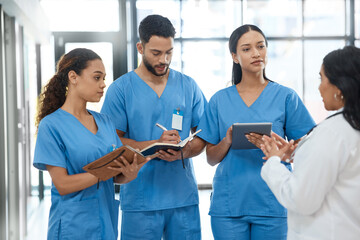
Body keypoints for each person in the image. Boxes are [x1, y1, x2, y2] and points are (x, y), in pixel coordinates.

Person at [196, 24, 315, 240]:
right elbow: (211, 159)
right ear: (234, 56)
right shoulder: (219, 101)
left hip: (273, 201)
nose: (256, 53)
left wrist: (281, 149)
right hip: (229, 205)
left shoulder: (286, 97)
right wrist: (228, 140)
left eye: (261, 46)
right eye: (247, 49)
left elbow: (306, 147)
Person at [101, 15, 207, 240]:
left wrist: (184, 151)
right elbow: (110, 140)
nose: (164, 60)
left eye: (169, 52)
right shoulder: (121, 90)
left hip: (183, 198)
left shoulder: (188, 86)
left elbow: (204, 135)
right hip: (140, 199)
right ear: (140, 47)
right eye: (156, 53)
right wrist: (154, 145)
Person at [33, 48, 148, 240]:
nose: (103, 85)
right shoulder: (51, 125)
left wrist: (128, 174)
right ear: (73, 77)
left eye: (104, 78)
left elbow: (113, 177)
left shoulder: (105, 122)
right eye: (97, 78)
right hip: (73, 225)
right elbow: (62, 184)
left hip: (105, 222)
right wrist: (104, 172)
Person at [258, 45, 360, 240]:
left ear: (339, 86)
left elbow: (300, 199)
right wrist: (299, 153)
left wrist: (273, 163)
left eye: (322, 78)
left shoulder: (333, 132)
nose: (319, 87)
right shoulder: (350, 126)